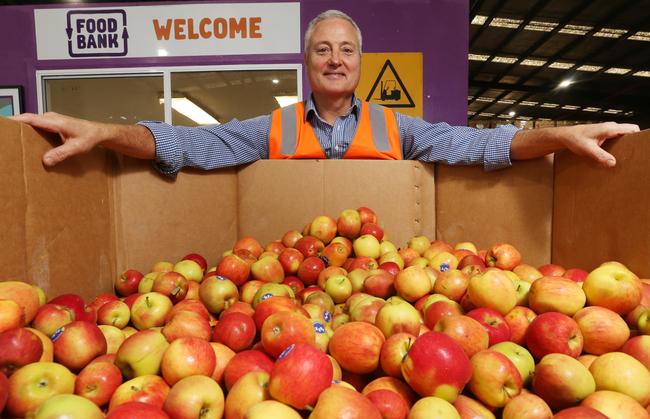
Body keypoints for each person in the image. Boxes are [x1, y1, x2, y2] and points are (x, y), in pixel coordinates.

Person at [12, 10, 639, 176]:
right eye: (323, 49)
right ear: (306, 62)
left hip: (387, 302)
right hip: (286, 299)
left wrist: (558, 134)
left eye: (346, 50)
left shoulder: (403, 129)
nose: (335, 59)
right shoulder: (270, 128)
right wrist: (104, 131)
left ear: (361, 63)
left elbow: (485, 145)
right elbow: (188, 143)